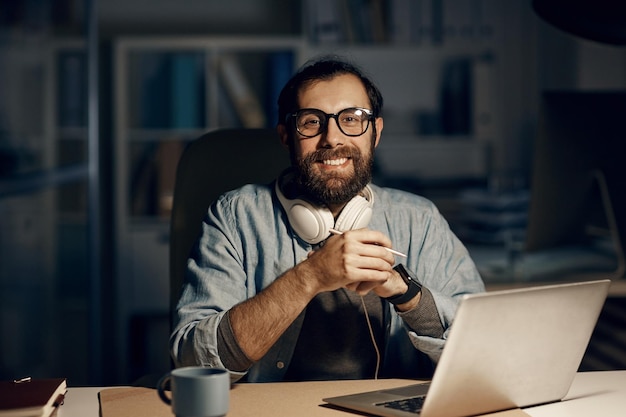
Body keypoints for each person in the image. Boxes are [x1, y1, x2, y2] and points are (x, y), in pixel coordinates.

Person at [170, 57, 485, 383]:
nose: (332, 138)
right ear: (286, 136)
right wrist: (311, 276)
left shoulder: (419, 220)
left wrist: (405, 293)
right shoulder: (236, 216)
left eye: (351, 119)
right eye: (311, 122)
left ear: (375, 133)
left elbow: (483, 349)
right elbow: (194, 360)